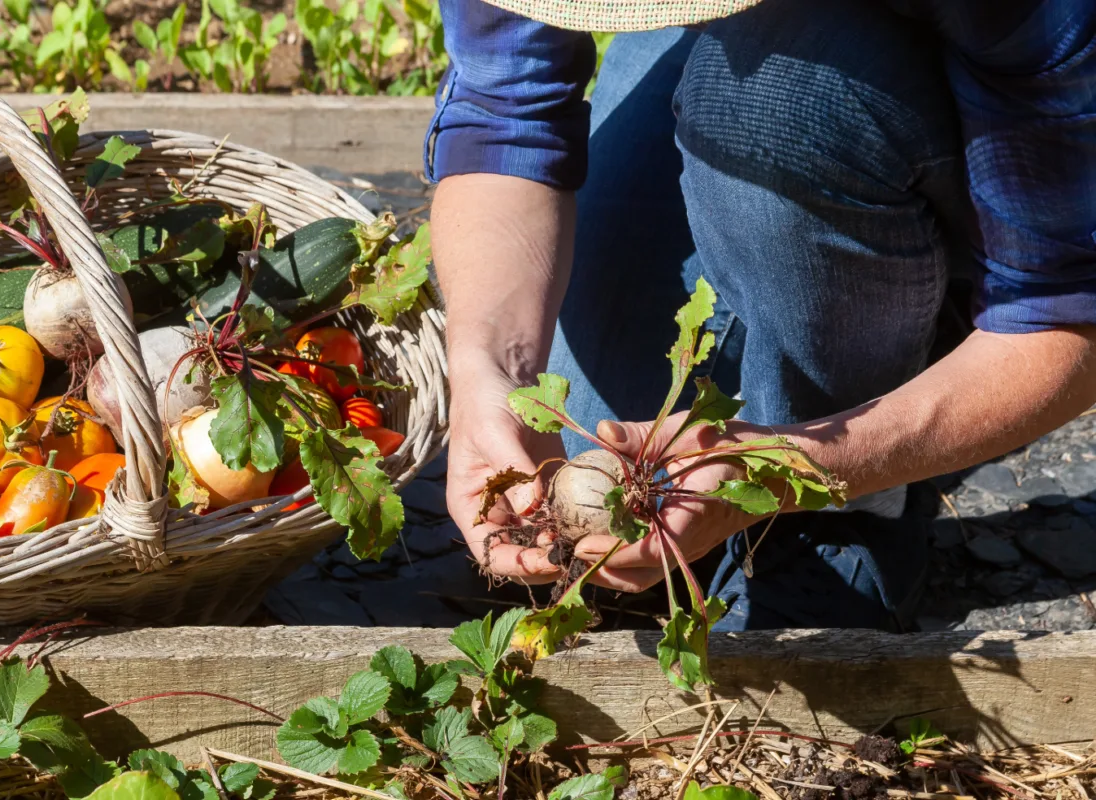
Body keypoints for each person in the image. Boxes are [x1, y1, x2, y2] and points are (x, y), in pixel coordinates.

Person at [427, 0, 1096, 630]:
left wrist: (787, 466)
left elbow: (1067, 305)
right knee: (588, 462)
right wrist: (490, 369)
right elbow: (503, 111)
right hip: (735, 54)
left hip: (997, 110)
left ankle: (858, 487)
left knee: (774, 104)